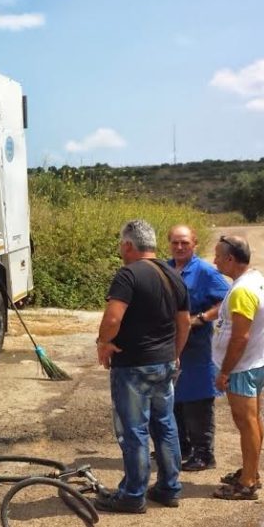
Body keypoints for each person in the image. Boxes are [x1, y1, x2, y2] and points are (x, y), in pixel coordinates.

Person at [95, 219, 191, 512]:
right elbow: (184, 322)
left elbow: (113, 318)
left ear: (128, 245)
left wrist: (103, 342)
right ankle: (169, 488)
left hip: (133, 366)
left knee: (133, 430)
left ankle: (133, 495)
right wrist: (174, 354)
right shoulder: (173, 274)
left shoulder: (128, 275)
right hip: (164, 364)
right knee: (165, 425)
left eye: (121, 246)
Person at [211, 234, 264, 501]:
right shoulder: (256, 280)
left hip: (242, 366)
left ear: (230, 259)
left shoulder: (242, 291)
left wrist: (225, 371)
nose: (214, 261)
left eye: (218, 256)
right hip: (256, 362)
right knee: (253, 419)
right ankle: (251, 471)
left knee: (245, 421)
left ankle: (248, 482)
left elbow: (240, 337)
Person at [167, 225, 230, 471]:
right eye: (175, 242)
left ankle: (204, 454)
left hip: (197, 346)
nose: (179, 247)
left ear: (194, 243)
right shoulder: (166, 268)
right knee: (174, 397)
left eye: (184, 242)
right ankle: (181, 447)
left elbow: (226, 300)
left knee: (198, 398)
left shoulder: (205, 271)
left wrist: (202, 318)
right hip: (172, 345)